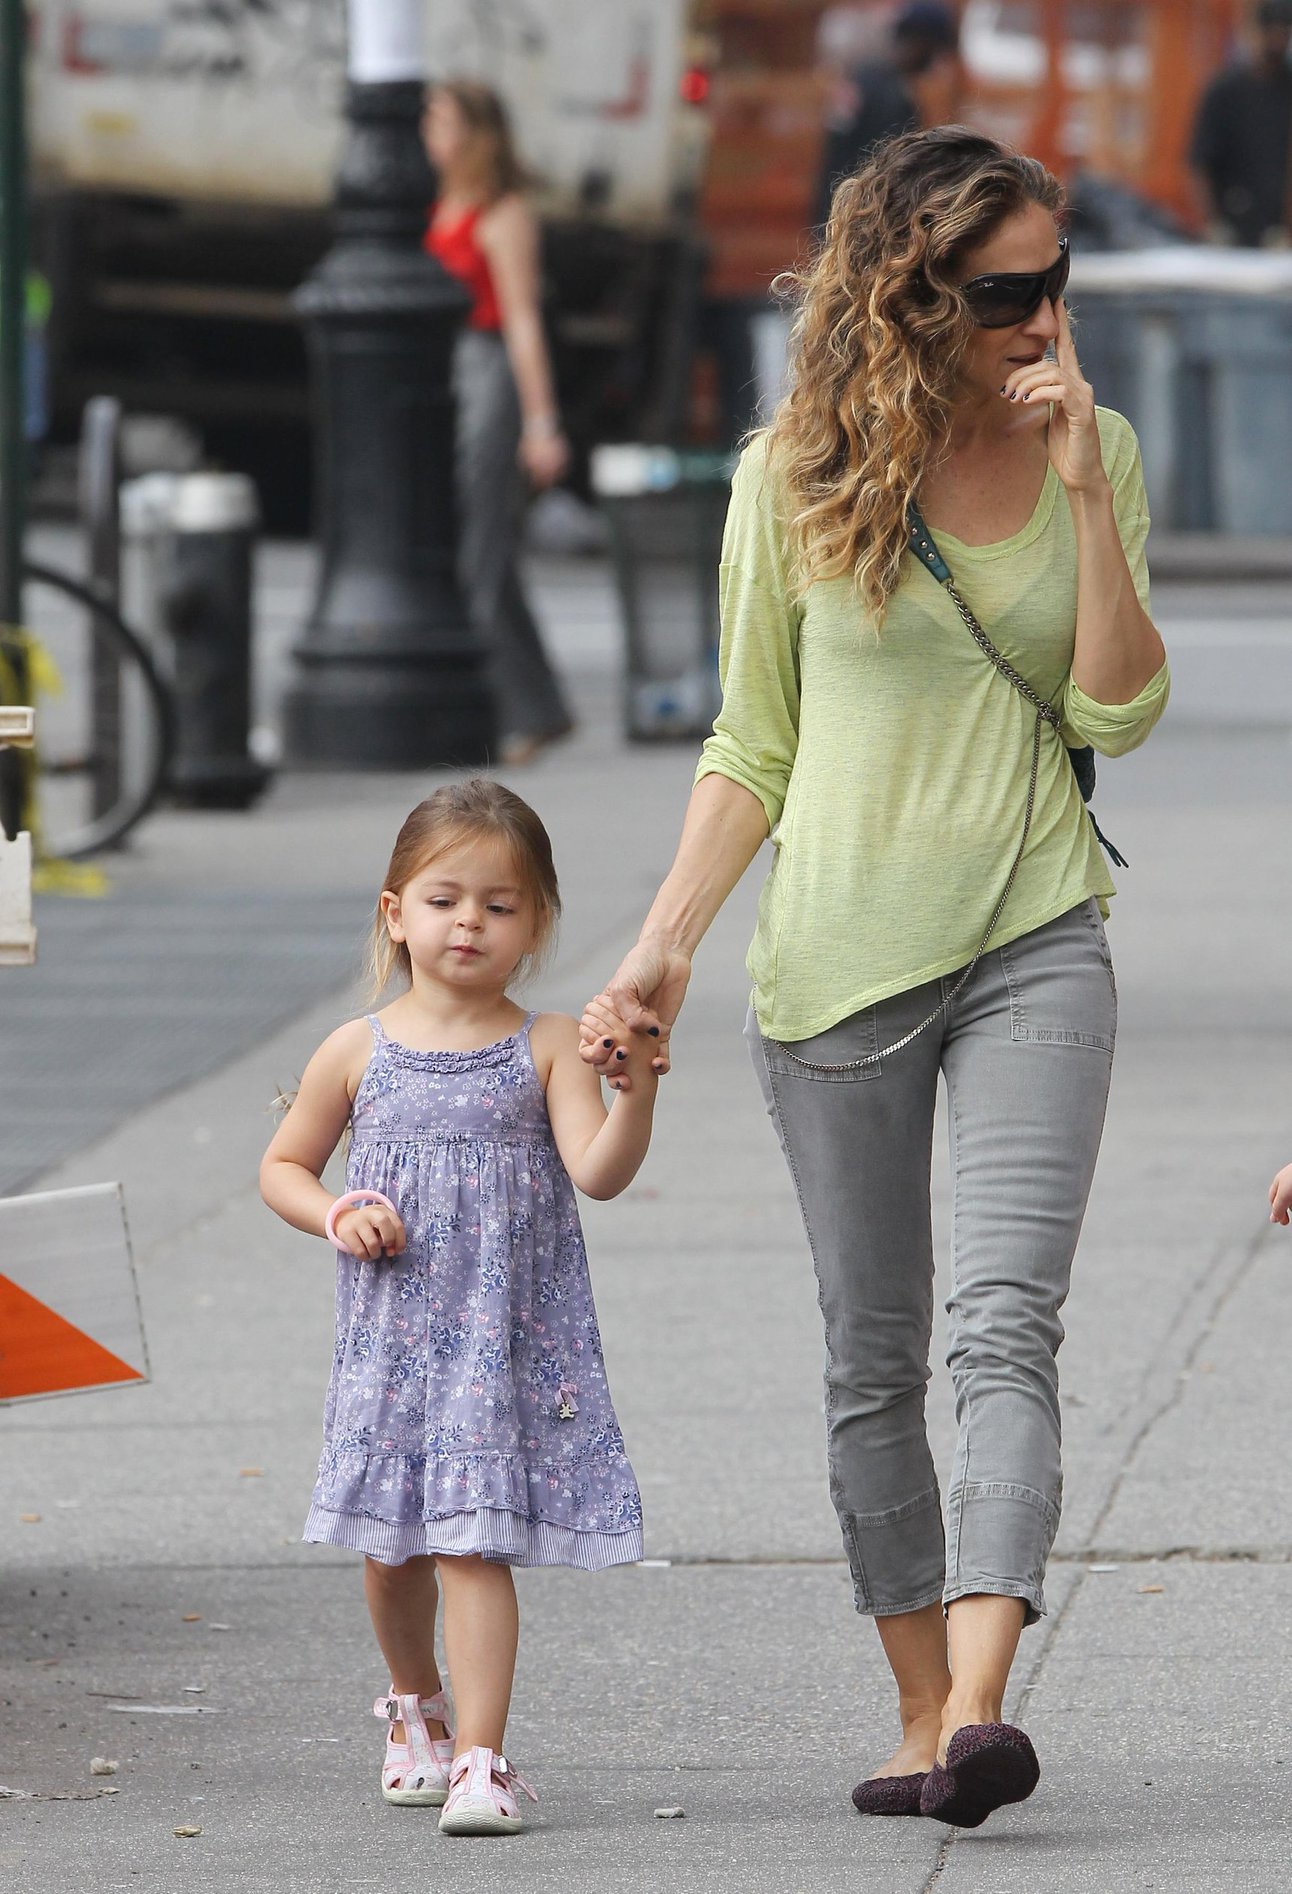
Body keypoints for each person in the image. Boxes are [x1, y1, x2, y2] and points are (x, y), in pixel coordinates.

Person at [581, 126, 1169, 1828]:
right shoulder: (792, 472)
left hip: (1033, 931)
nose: (1041, 315)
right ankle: (915, 1703)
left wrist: (1074, 488)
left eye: (1056, 281)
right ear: (911, 293)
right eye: (1004, 289)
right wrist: (663, 940)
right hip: (833, 958)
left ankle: (982, 1701)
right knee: (871, 1349)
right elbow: (750, 740)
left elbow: (1119, 706)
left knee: (1005, 1325)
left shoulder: (1096, 446)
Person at [260, 779, 657, 1837]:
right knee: (391, 1549)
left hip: (498, 1338)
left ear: (534, 926)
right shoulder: (355, 1049)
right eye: (443, 898)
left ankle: (481, 1755)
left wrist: (638, 1089)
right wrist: (337, 1206)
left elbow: (600, 1170)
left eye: (499, 903)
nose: (468, 922)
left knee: (470, 1541)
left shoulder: (546, 1045)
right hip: (392, 1341)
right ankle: (414, 1706)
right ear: (396, 914)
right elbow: (284, 1166)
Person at [423, 82, 575, 765]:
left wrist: (541, 421)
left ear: (477, 133)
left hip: (489, 373)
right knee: (471, 544)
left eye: (443, 120)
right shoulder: (440, 200)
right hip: (451, 370)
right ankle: (529, 703)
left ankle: (518, 707)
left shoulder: (501, 213)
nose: (429, 132)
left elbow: (521, 320)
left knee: (482, 548)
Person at [813, 2, 960, 231]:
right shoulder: (893, 96)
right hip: (865, 219)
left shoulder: (863, 78)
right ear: (923, 44)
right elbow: (892, 170)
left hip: (838, 210)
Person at [1190, 0, 1292, 247]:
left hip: (1278, 231)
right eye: (1269, 32)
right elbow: (1199, 163)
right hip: (1233, 224)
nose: (1276, 42)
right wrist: (1213, 225)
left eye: (1284, 33)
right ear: (1251, 32)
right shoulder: (1224, 91)